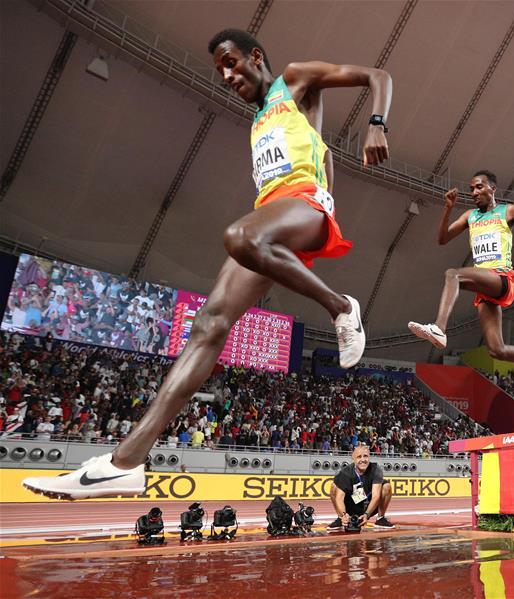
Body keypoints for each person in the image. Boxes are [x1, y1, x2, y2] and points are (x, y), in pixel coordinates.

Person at [22, 28, 393, 500]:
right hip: (272, 219)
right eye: (220, 68)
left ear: (256, 57)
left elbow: (377, 75)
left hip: (307, 207)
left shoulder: (295, 81)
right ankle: (125, 463)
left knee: (238, 235)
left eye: (232, 62)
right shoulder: (260, 118)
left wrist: (377, 123)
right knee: (208, 325)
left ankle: (341, 306)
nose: (226, 74)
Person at [407, 171, 514, 381]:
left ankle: (439, 328)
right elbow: (442, 239)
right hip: (485, 287)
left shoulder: (508, 211)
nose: (474, 192)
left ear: (492, 189)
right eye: (471, 189)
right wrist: (448, 209)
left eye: (479, 187)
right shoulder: (470, 216)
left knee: (453, 274)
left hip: (501, 278)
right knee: (497, 350)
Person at [328, 445, 394, 531]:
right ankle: (341, 519)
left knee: (386, 486)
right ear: (354, 459)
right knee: (334, 486)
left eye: (365, 456)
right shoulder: (345, 473)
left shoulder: (376, 469)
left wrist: (367, 514)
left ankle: (380, 519)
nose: (363, 460)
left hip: (369, 507)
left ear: (369, 457)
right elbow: (339, 498)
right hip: (351, 506)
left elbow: (376, 496)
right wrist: (343, 514)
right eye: (359, 457)